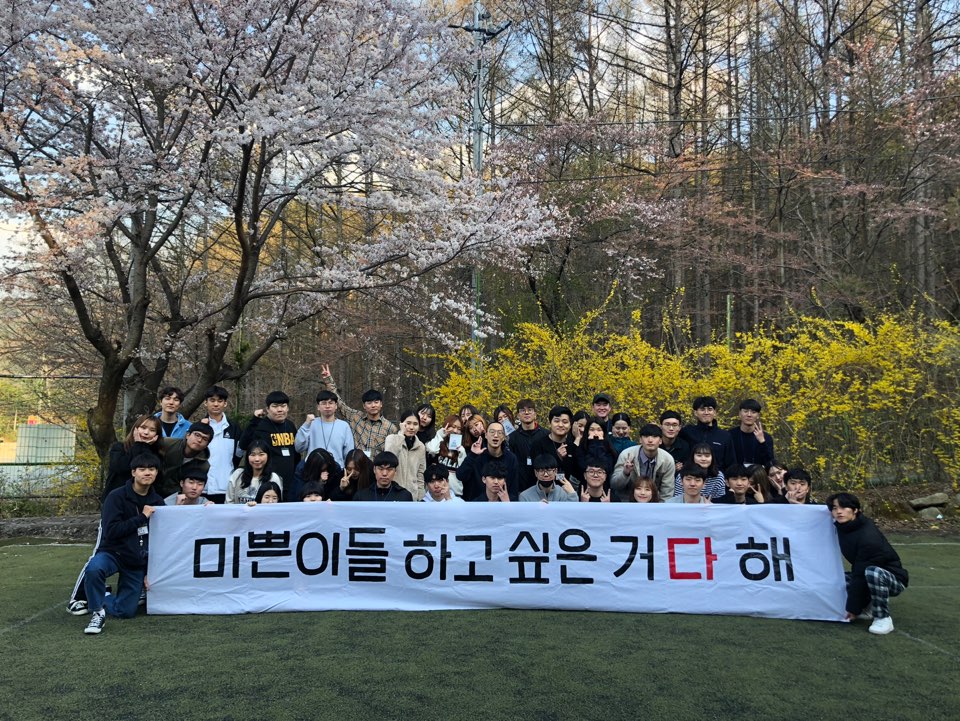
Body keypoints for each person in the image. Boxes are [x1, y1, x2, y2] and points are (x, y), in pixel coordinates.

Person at [80, 452, 165, 635]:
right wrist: (142, 518)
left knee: (125, 611)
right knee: (94, 569)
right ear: (133, 472)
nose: (147, 473)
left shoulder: (158, 502)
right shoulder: (116, 497)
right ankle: (97, 612)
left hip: (136, 561)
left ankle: (104, 595)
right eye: (142, 469)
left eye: (152, 469)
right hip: (113, 553)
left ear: (157, 473)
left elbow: (160, 539)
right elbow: (111, 531)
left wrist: (149, 571)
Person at [827, 492, 909, 635]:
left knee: (872, 573)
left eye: (844, 507)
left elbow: (860, 573)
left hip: (892, 578)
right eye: (835, 508)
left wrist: (853, 609)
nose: (839, 512)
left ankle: (883, 618)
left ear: (855, 510)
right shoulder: (844, 525)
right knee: (839, 579)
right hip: (864, 572)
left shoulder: (868, 536)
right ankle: (867, 607)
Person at [320, 364, 398, 456]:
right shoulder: (355, 417)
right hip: (357, 463)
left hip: (377, 464)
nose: (373, 405)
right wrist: (328, 380)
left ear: (381, 404)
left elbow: (393, 453)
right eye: (369, 403)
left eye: (376, 402)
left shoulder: (390, 428)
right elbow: (339, 403)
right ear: (364, 406)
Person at [237, 390, 299, 497]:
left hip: (290, 483)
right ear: (267, 409)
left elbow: (296, 453)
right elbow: (243, 444)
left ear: (288, 408)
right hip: (268, 484)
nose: (280, 410)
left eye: (283, 406)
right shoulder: (260, 425)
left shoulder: (290, 425)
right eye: (275, 406)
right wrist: (254, 421)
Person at [101, 415, 164, 499]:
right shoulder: (119, 447)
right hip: (116, 498)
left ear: (157, 435)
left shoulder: (157, 454)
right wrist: (138, 445)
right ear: (135, 429)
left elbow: (156, 478)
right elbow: (121, 468)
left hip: (144, 500)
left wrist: (145, 447)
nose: (146, 432)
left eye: (152, 430)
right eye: (143, 428)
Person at [612, 424, 676, 501]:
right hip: (627, 502)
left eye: (654, 437)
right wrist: (625, 473)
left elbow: (667, 492)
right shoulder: (627, 455)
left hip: (655, 503)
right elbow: (615, 485)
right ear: (640, 440)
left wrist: (660, 507)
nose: (650, 440)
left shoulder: (667, 460)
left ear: (660, 441)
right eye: (646, 436)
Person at [457, 421, 520, 500]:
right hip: (477, 503)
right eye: (492, 432)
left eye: (499, 433)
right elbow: (461, 476)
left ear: (504, 437)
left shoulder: (511, 458)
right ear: (486, 435)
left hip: (502, 505)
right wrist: (472, 455)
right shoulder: (477, 455)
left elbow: (514, 489)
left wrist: (508, 503)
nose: (496, 435)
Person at [199, 385, 241, 504]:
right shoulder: (198, 427)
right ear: (205, 403)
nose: (216, 404)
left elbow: (238, 455)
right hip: (201, 488)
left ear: (225, 403)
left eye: (220, 401)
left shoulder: (234, 428)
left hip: (226, 488)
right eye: (212, 400)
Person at [294, 389, 354, 468]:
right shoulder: (311, 424)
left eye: (330, 403)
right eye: (324, 403)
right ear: (318, 407)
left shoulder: (344, 426)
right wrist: (306, 425)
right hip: (313, 469)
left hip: (337, 469)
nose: (327, 406)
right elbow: (298, 448)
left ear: (336, 406)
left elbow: (348, 453)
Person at [158, 422, 213, 498]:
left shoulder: (204, 465)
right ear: (188, 435)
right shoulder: (167, 444)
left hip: (176, 497)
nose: (199, 440)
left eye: (205, 439)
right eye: (197, 435)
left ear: (207, 444)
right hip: (153, 489)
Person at [680, 396, 735, 472]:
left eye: (710, 409)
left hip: (717, 477)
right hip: (691, 476)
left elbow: (731, 464)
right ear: (695, 413)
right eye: (702, 409)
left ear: (715, 412)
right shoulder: (687, 432)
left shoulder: (725, 436)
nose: (706, 413)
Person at [530, 405, 580, 487]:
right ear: (550, 423)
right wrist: (557, 457)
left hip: (568, 490)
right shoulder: (539, 444)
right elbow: (536, 471)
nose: (560, 425)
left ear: (570, 425)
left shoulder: (572, 446)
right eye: (556, 421)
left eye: (565, 422)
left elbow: (576, 473)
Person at [384, 409, 428, 500]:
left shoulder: (421, 446)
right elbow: (388, 460)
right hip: (393, 492)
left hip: (412, 495)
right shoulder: (391, 439)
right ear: (401, 424)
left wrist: (420, 497)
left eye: (415, 424)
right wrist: (401, 435)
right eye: (408, 423)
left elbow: (420, 474)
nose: (411, 427)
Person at [508, 399, 549, 492]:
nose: (526, 413)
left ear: (535, 414)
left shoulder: (545, 435)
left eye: (530, 410)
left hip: (542, 485)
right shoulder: (513, 437)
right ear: (518, 415)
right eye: (523, 410)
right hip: (520, 486)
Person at [729, 399, 774, 468]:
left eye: (753, 412)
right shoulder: (730, 435)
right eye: (745, 411)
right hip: (736, 473)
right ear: (739, 414)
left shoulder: (766, 437)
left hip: (759, 473)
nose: (749, 415)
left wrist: (762, 442)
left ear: (758, 416)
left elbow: (770, 463)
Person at [574, 417, 617, 481]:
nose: (595, 433)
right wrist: (593, 444)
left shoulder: (610, 450)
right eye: (592, 430)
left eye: (599, 430)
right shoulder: (581, 449)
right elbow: (585, 467)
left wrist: (599, 444)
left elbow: (605, 467)